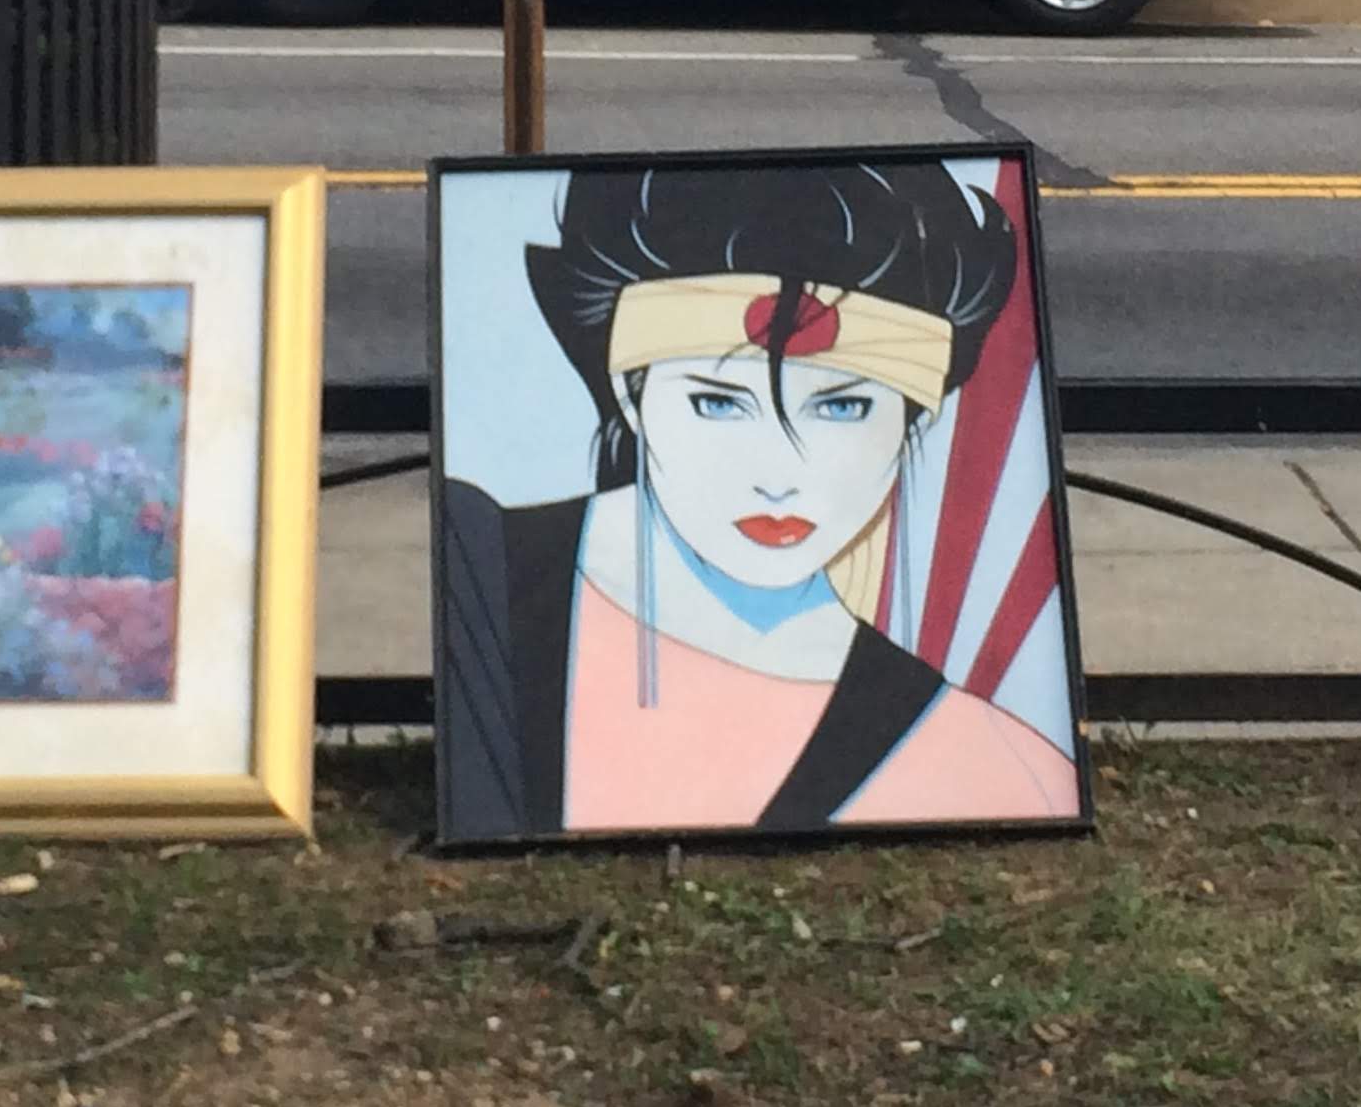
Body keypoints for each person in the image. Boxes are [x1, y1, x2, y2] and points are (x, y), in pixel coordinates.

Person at [436, 159, 1084, 840]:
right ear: (631, 395)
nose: (779, 473)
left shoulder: (989, 763)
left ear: (913, 421)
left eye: (845, 407)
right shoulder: (480, 571)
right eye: (717, 403)